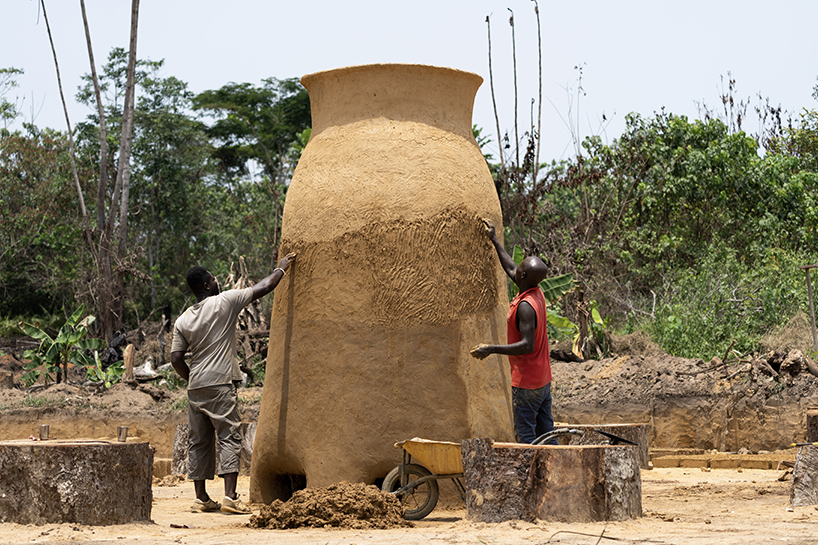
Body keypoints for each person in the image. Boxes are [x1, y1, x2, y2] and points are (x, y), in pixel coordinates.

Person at [171, 253, 295, 514]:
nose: (217, 282)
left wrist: (192, 377)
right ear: (207, 285)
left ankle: (201, 498)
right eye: (214, 279)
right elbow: (264, 287)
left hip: (196, 387)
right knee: (229, 436)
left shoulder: (183, 320)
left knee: (199, 441)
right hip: (220, 382)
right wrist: (281, 269)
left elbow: (175, 359)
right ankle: (230, 497)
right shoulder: (224, 301)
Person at [470, 219, 557, 445]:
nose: (516, 269)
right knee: (547, 434)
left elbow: (527, 345)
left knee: (526, 436)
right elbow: (510, 268)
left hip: (527, 382)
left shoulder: (526, 307)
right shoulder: (534, 291)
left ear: (525, 277)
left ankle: (531, 480)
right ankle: (557, 474)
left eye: (521, 268)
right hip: (543, 379)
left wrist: (491, 349)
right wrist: (494, 239)